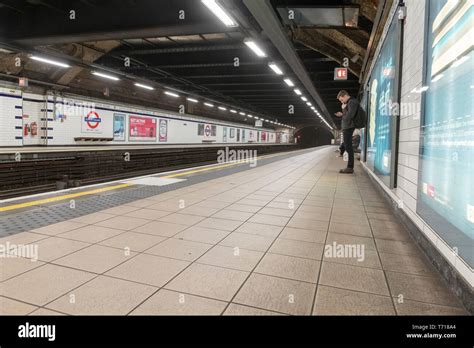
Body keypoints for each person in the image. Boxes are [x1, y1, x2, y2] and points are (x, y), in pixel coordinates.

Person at [334, 90, 360, 174]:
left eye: (342, 100)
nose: (342, 102)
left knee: (348, 146)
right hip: (348, 126)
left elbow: (350, 115)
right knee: (347, 146)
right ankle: (350, 167)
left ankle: (350, 167)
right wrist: (342, 113)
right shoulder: (349, 103)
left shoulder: (352, 102)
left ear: (345, 96)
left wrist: (343, 110)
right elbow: (348, 114)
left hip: (349, 127)